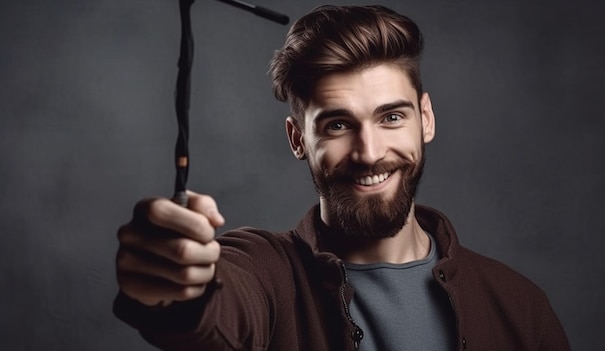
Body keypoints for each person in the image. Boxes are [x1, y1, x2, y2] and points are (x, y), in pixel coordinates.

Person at [114, 5, 570, 350]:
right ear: (298, 140)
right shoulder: (265, 273)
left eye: (391, 117)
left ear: (425, 119)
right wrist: (179, 287)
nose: (369, 153)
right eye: (337, 125)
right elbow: (219, 308)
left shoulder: (518, 305)